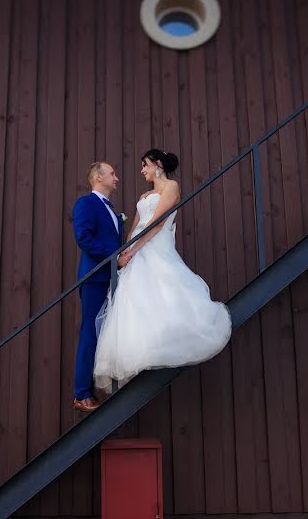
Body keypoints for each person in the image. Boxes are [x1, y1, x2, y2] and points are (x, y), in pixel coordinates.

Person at [93, 149, 231, 390]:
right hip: (136, 247)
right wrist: (125, 250)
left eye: (145, 165)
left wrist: (134, 250)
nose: (142, 170)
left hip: (156, 246)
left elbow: (156, 223)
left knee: (164, 290)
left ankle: (164, 343)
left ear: (157, 164)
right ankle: (140, 349)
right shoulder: (145, 194)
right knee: (134, 299)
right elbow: (134, 227)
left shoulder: (172, 187)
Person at [71, 161, 125, 412]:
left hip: (112, 279)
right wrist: (116, 255)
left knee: (110, 331)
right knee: (90, 331)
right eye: (112, 173)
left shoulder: (113, 211)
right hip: (94, 277)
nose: (116, 177)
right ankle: (82, 394)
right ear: (98, 177)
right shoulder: (86, 204)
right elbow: (84, 238)